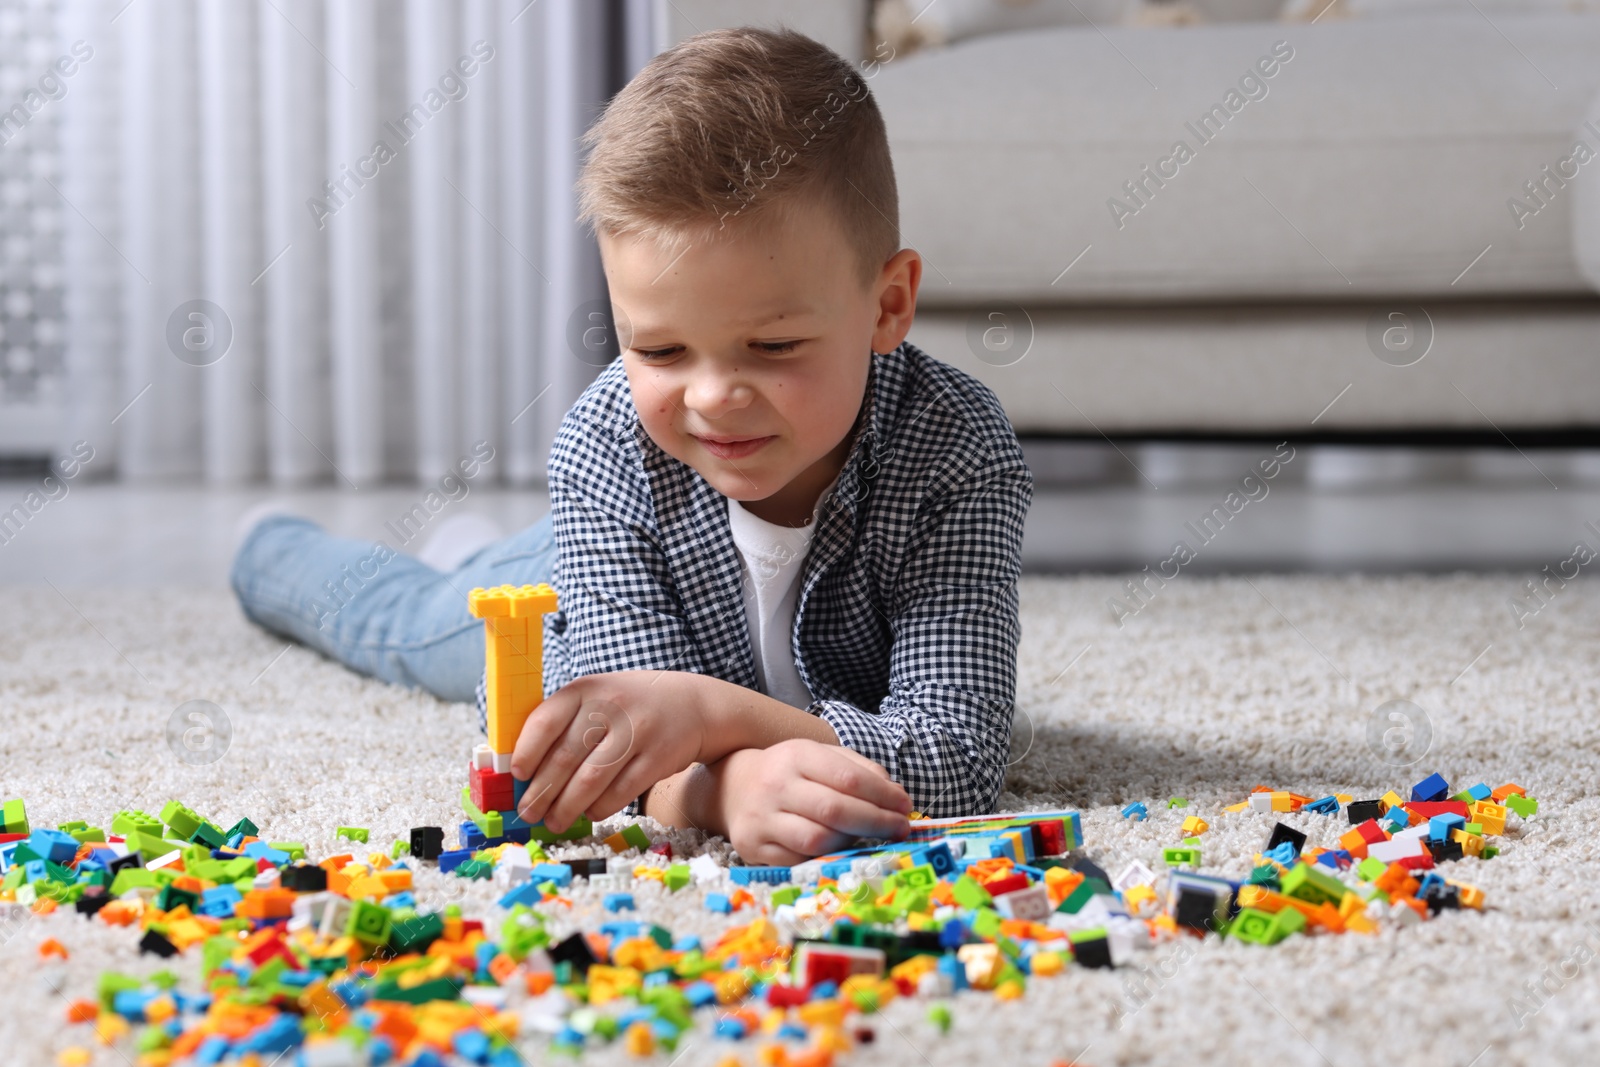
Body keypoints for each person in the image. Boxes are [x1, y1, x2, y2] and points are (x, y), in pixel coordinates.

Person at [231, 26, 1033, 865]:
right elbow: (622, 742)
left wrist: (706, 717)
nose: (714, 396)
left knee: (537, 615)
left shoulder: (957, 449)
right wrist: (723, 788)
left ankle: (480, 552)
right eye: (659, 351)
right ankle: (267, 550)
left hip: (646, 607)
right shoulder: (607, 442)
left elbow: (960, 761)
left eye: (774, 347)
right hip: (565, 590)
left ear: (888, 305)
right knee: (404, 625)